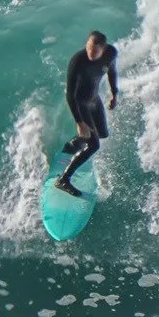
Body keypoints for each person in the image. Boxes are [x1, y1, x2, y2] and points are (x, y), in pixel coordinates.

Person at [54, 31, 119, 196]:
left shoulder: (111, 53)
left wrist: (114, 94)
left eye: (95, 51)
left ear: (103, 50)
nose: (90, 53)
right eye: (88, 48)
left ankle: (73, 144)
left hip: (94, 100)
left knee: (103, 134)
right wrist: (79, 122)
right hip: (80, 102)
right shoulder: (77, 61)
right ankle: (63, 180)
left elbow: (112, 71)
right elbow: (69, 94)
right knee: (94, 145)